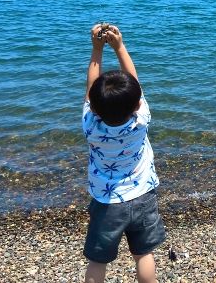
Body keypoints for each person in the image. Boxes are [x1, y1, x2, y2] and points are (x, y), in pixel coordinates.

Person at [82, 23, 165, 283]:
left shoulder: (91, 125)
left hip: (107, 204)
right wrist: (120, 47)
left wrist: (97, 50)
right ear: (138, 103)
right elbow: (135, 85)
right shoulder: (141, 119)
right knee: (144, 254)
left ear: (93, 108)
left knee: (98, 260)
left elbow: (90, 92)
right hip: (142, 195)